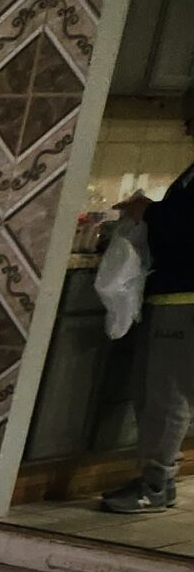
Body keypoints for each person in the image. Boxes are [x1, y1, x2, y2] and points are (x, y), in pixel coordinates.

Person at [108, 89, 194, 515]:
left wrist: (150, 213)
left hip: (186, 299)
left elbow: (187, 230)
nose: (186, 129)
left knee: (166, 396)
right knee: (151, 393)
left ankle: (156, 485)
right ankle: (157, 481)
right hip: (173, 294)